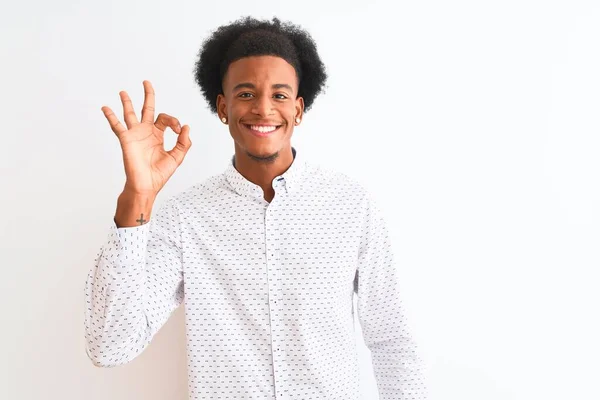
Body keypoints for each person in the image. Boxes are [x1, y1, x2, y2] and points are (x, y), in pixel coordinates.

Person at [84, 16, 427, 400]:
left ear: (298, 109)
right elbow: (110, 346)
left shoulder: (351, 206)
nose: (263, 109)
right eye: (246, 94)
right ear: (223, 107)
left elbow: (391, 340)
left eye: (279, 95)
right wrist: (138, 195)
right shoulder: (185, 218)